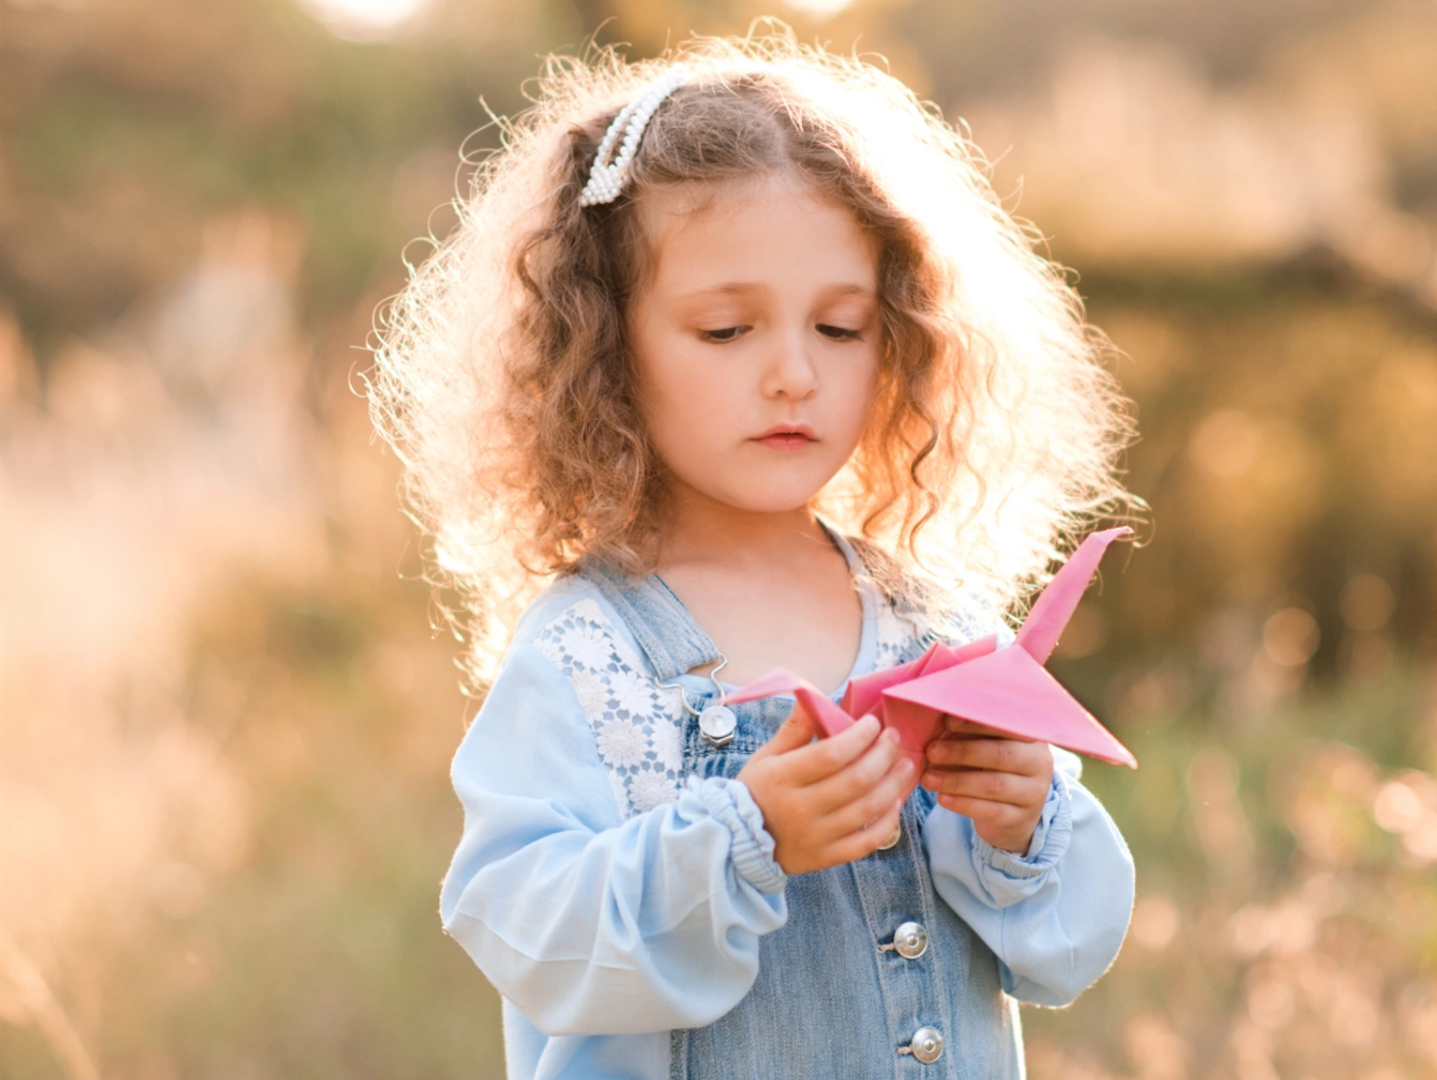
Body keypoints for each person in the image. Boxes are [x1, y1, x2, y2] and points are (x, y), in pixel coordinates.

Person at [368, 28, 1139, 1080]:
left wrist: (1022, 818)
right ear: (602, 350)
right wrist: (742, 840)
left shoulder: (936, 623)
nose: (792, 375)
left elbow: (1063, 951)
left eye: (839, 327)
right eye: (727, 331)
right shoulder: (590, 658)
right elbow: (530, 933)